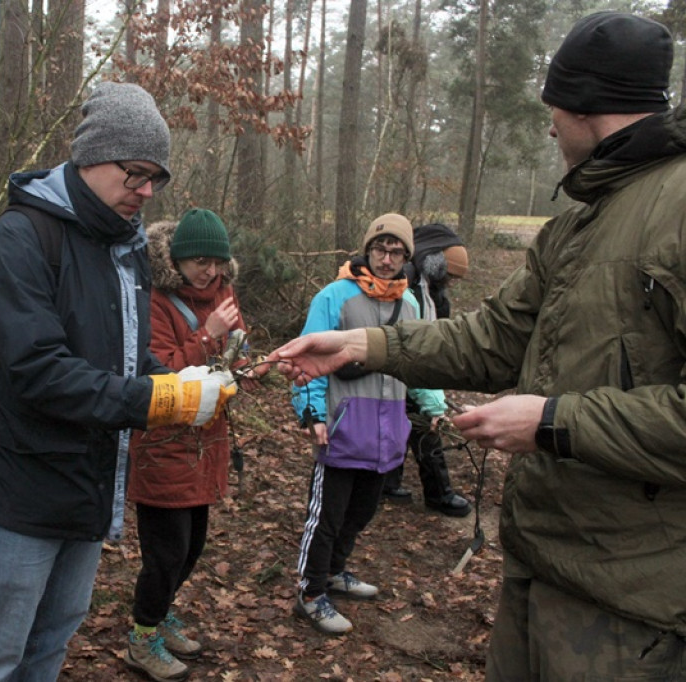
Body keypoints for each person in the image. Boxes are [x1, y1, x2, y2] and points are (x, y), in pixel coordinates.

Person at [270, 11, 686, 678]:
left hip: (634, 598)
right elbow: (492, 341)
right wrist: (360, 345)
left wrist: (553, 422)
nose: (548, 126)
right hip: (541, 561)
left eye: (554, 105)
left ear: (584, 104)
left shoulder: (676, 208)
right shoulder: (576, 223)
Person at [0, 83, 237, 682]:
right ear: (92, 157)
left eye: (157, 178)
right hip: (13, 486)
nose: (147, 190)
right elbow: (38, 369)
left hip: (85, 482)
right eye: (137, 174)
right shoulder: (18, 240)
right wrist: (160, 399)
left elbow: (126, 357)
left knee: (51, 643)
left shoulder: (120, 249)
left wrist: (184, 380)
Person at [125, 209, 267, 681]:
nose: (211, 271)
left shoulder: (223, 291)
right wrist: (209, 336)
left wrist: (250, 364)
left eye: (218, 262)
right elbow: (159, 370)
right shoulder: (155, 300)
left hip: (208, 441)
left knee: (192, 547)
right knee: (165, 553)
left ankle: (160, 615)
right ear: (179, 260)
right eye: (201, 262)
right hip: (163, 442)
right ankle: (141, 638)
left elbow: (237, 352)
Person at [290, 214, 447, 636]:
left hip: (388, 431)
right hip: (342, 428)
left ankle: (336, 573)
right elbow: (308, 361)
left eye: (396, 252)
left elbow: (422, 361)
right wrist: (313, 414)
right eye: (380, 249)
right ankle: (310, 594)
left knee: (361, 512)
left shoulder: (409, 304)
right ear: (366, 250)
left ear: (407, 257)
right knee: (327, 517)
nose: (386, 258)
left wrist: (434, 406)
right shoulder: (334, 297)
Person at [382, 224, 472, 517]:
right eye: (451, 276)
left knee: (410, 422)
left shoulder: (434, 291)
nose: (452, 283)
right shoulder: (406, 282)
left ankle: (391, 483)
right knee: (423, 426)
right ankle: (438, 494)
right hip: (402, 364)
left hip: (417, 367)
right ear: (437, 264)